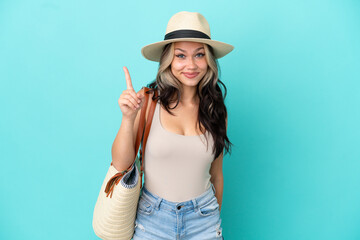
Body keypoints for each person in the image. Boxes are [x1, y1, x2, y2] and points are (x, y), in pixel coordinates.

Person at [111, 11, 234, 240]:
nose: (191, 65)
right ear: (169, 60)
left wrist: (211, 218)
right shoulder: (148, 101)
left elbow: (217, 175)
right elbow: (120, 164)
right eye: (181, 56)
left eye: (199, 55)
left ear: (209, 59)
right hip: (152, 220)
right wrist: (128, 118)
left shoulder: (216, 111)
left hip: (204, 221)